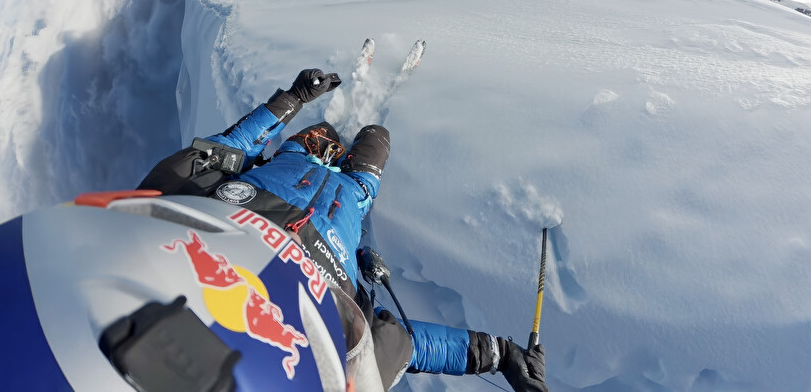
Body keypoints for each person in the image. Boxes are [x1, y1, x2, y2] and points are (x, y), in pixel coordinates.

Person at [138, 68, 547, 391]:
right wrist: (500, 354)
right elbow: (406, 344)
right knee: (378, 138)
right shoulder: (331, 369)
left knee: (330, 134)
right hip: (351, 194)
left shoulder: (158, 224)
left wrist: (291, 100)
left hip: (298, 156)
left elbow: (224, 149)